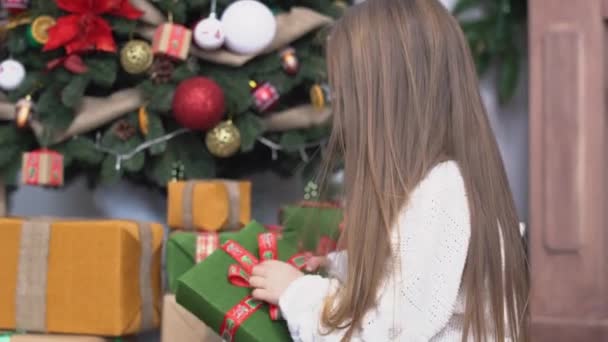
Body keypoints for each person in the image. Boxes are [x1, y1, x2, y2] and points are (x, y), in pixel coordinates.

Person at [249, 0, 529, 340]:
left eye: (346, 95)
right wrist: (342, 266)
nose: (341, 114)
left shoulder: (439, 193)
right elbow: (412, 280)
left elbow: (382, 332)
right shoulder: (439, 186)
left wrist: (296, 293)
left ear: (383, 101)